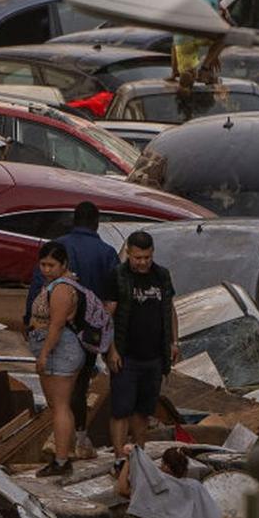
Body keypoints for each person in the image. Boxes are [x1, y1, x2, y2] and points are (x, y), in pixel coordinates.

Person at [24, 202, 119, 459]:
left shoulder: (55, 252)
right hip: (87, 334)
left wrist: (30, 326)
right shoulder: (107, 253)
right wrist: (108, 341)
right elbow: (113, 298)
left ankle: (63, 451)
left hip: (56, 336)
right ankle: (76, 439)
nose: (46, 269)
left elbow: (37, 293)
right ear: (96, 223)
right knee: (77, 386)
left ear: (73, 221)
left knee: (60, 401)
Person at [105, 230, 178, 465]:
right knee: (121, 409)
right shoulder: (118, 276)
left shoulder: (162, 276)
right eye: (138, 258)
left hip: (154, 357)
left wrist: (174, 342)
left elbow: (170, 310)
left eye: (147, 257)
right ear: (129, 254)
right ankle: (119, 458)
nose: (143, 262)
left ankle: (139, 456)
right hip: (126, 356)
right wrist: (111, 349)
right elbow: (108, 316)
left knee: (143, 411)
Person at [27, 241, 85, 477]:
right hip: (57, 349)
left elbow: (57, 325)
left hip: (59, 351)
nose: (46, 269)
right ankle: (64, 453)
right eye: (43, 264)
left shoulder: (61, 288)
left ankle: (61, 460)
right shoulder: (55, 284)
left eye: (51, 265)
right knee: (59, 405)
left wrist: (44, 354)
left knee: (60, 406)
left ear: (63, 265)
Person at [170, 0, 225, 90]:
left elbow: (174, 42)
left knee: (187, 71)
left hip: (183, 39)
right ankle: (205, 70)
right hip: (204, 34)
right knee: (224, 37)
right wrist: (213, 56)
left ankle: (186, 74)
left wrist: (174, 72)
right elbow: (217, 23)